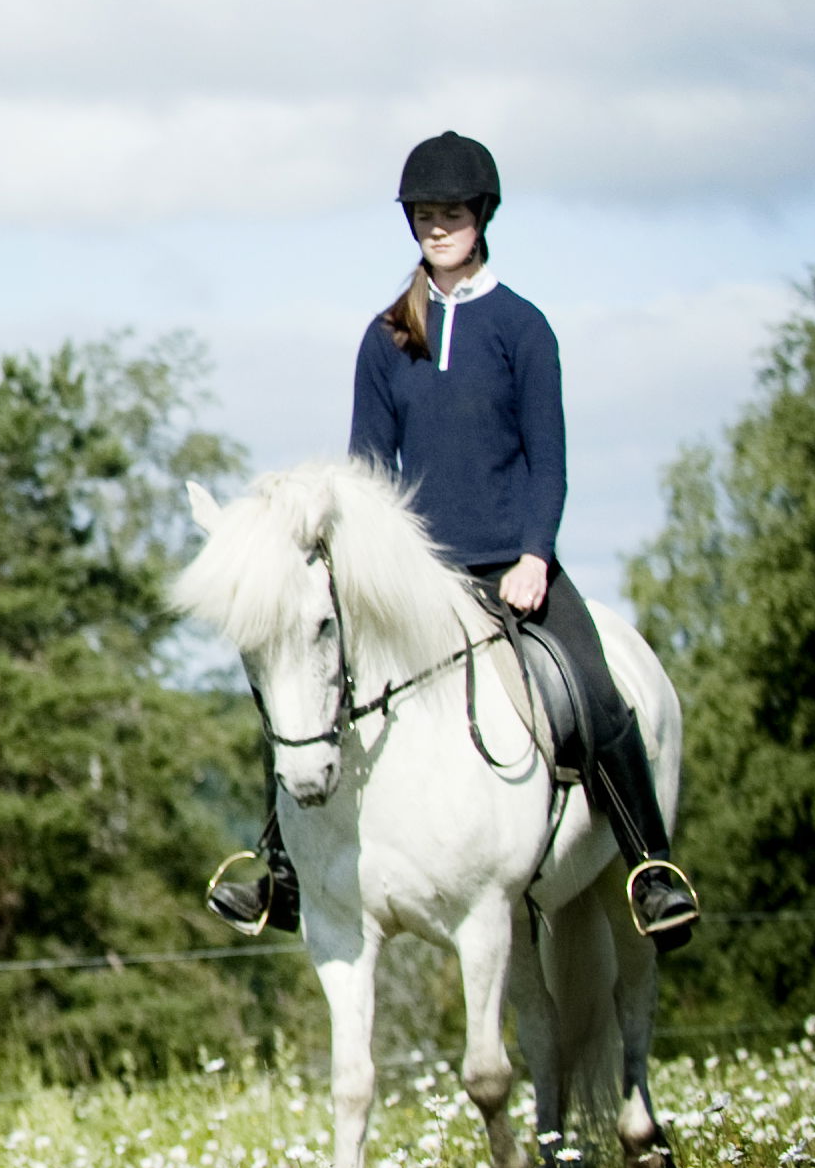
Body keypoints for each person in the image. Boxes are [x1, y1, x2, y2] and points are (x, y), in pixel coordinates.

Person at [206, 131, 698, 945]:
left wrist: (536, 555)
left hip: (512, 565)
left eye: (452, 213)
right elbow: (368, 472)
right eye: (425, 214)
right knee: (302, 687)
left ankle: (651, 868)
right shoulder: (386, 337)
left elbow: (549, 461)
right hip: (413, 580)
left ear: (482, 217)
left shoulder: (523, 328)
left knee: (598, 693)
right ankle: (282, 873)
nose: (437, 227)